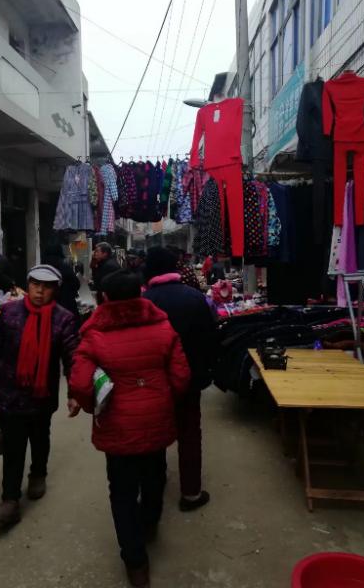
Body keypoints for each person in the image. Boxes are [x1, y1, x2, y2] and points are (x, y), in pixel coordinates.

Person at [70, 270, 190, 588]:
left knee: (122, 492)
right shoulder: (163, 327)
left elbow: (80, 384)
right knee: (154, 476)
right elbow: (181, 378)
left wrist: (93, 406)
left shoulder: (94, 334)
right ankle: (149, 524)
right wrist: (162, 399)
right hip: (156, 419)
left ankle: (136, 563)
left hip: (118, 426)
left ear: (105, 298)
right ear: (140, 293)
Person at [0, 264, 80, 526]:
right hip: (9, 391)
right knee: (13, 446)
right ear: (28, 285)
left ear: (55, 290)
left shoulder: (64, 319)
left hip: (41, 394)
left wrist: (74, 392)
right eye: (35, 285)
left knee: (39, 437)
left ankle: (38, 474)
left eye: (46, 287)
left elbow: (72, 358)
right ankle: (10, 500)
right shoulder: (10, 312)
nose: (39, 291)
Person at [143, 246, 216, 512]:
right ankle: (191, 493)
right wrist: (205, 371)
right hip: (189, 379)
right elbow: (210, 338)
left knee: (156, 432)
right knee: (189, 433)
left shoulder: (144, 301)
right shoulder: (195, 298)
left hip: (153, 381)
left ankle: (157, 482)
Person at [42, 243, 81, 318]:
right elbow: (76, 284)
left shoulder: (42, 268)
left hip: (46, 307)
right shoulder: (65, 267)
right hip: (66, 305)